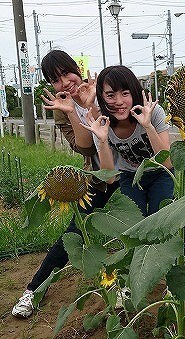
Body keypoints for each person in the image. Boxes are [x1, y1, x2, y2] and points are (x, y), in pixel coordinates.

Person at [12, 50, 119, 318]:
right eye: (56, 79)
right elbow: (84, 148)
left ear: (77, 68)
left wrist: (94, 102)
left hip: (131, 172)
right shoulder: (62, 110)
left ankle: (178, 263)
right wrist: (74, 111)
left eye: (66, 73)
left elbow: (121, 127)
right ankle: (33, 291)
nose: (65, 82)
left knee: (154, 217)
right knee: (74, 233)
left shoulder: (106, 87)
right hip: (99, 177)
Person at [82, 65, 174, 217]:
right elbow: (110, 178)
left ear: (134, 92)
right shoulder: (101, 126)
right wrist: (103, 141)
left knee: (160, 219)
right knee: (134, 220)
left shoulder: (154, 112)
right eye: (110, 95)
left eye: (125, 93)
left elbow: (167, 163)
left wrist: (148, 126)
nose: (119, 101)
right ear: (102, 97)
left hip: (160, 173)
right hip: (130, 176)